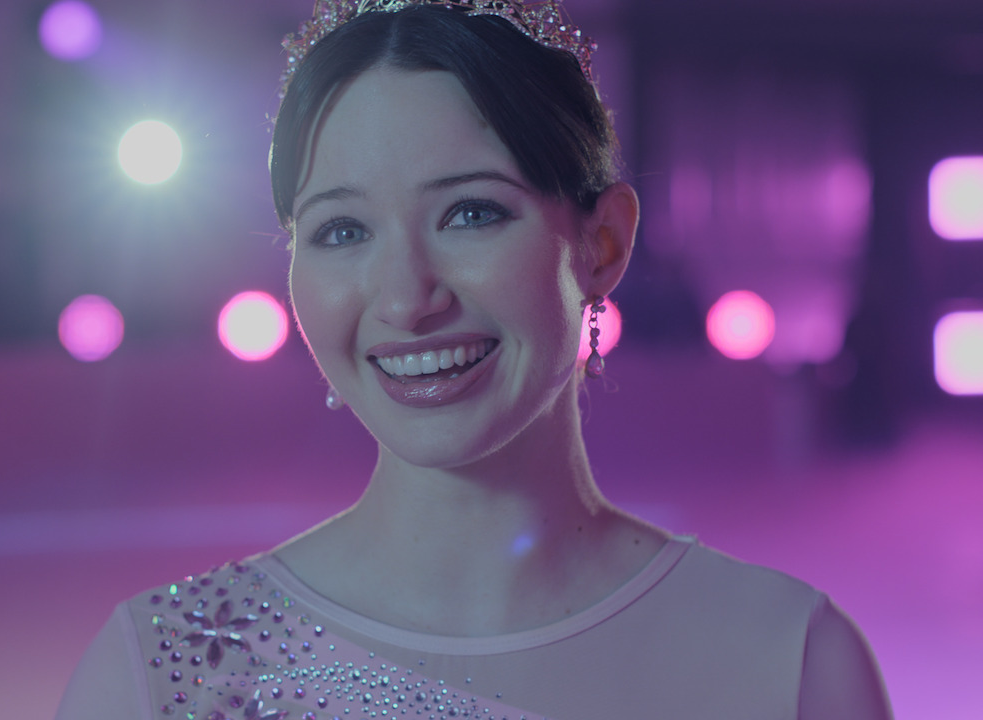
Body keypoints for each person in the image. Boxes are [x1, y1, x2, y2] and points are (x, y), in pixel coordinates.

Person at [55, 2, 892, 718]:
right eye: (342, 231)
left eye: (471, 214)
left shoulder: (788, 665)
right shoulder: (170, 675)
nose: (405, 298)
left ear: (602, 245)